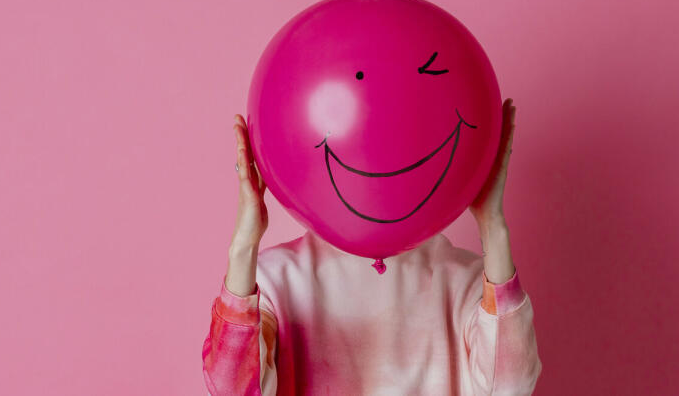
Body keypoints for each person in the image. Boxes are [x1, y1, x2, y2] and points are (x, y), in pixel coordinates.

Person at [203, 99, 541, 395]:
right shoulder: (274, 281)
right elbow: (235, 391)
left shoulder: (467, 282)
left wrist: (494, 227)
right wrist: (243, 246)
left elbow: (510, 388)